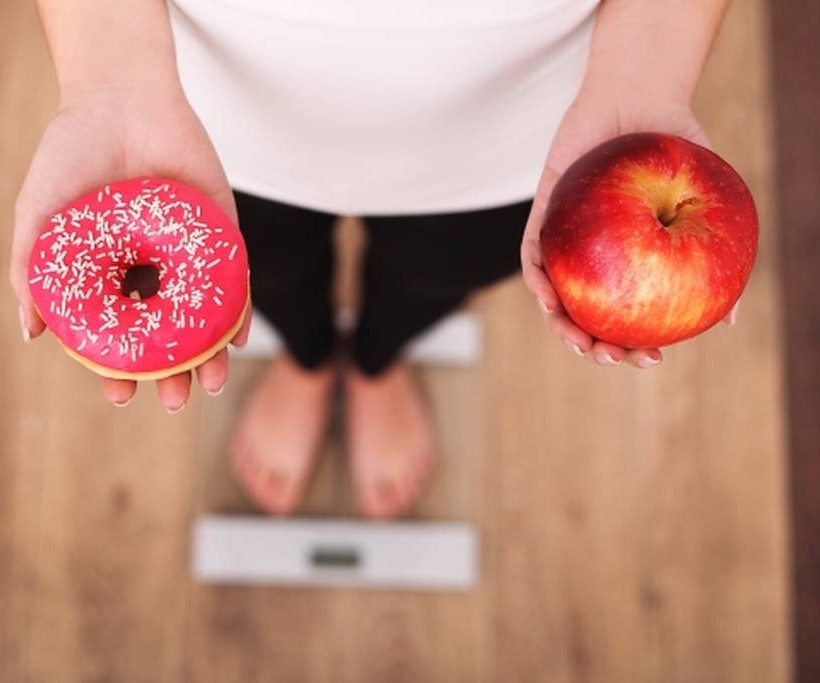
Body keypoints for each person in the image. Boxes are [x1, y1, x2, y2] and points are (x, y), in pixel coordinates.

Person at [10, 0, 737, 519]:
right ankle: (307, 354)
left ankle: (376, 361)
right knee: (270, 271)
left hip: (529, 129)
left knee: (436, 273)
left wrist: (648, 72)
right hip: (197, 117)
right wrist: (107, 74)